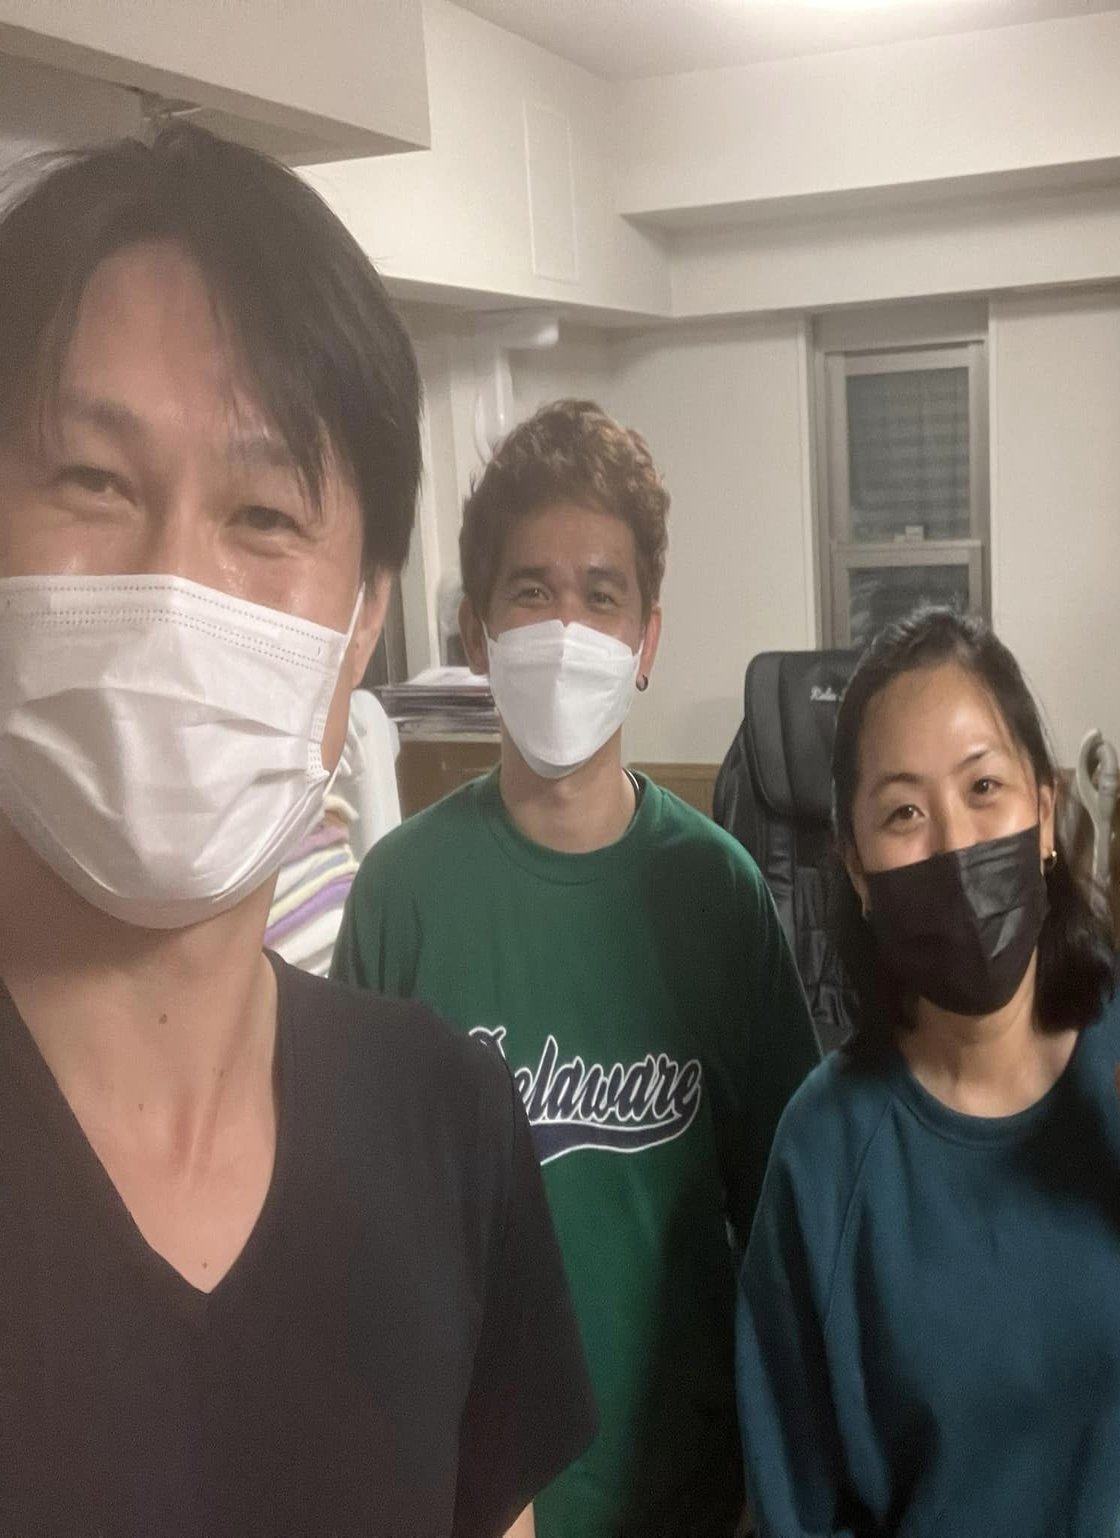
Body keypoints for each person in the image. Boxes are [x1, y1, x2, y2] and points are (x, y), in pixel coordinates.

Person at [0, 125, 595, 1538]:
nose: (173, 586)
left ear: (361, 616)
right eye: (93, 480)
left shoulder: (446, 1125)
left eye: (265, 512)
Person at [736, 609, 1120, 1538]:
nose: (954, 844)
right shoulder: (823, 1153)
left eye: (984, 787)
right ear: (855, 868)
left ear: (1045, 814)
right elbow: (798, 1504)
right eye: (903, 812)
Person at [334, 398, 824, 1538]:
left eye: (602, 596)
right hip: (469, 1499)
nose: (567, 627)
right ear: (476, 633)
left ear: (646, 640)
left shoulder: (717, 893)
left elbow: (788, 1214)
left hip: (692, 1490)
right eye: (531, 591)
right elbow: (358, 1235)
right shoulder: (402, 896)